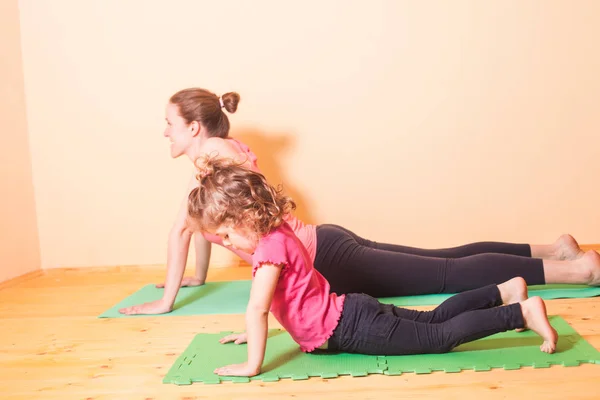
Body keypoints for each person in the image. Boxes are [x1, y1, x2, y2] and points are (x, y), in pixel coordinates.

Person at [119, 88, 600, 315]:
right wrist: (197, 277)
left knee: (446, 274)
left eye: (169, 123)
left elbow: (182, 228)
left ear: (194, 128)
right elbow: (201, 224)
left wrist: (166, 300)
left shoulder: (215, 158)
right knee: (442, 260)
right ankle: (555, 251)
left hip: (324, 259)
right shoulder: (214, 160)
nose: (164, 131)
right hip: (325, 243)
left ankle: (577, 271)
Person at [185, 156, 558, 377]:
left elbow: (259, 306)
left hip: (349, 327)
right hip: (351, 309)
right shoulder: (279, 231)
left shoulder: (268, 251)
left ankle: (519, 314)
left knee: (438, 338)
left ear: (246, 218)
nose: (229, 246)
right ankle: (501, 291)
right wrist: (253, 332)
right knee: (431, 321)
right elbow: (290, 298)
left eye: (227, 236)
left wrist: (252, 364)